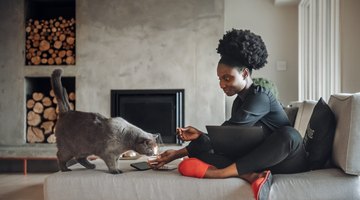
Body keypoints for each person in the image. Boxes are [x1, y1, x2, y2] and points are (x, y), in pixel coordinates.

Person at [149, 29, 309, 200]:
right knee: (199, 152)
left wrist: (201, 137)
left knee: (289, 135)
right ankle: (249, 175)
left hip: (287, 160)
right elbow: (230, 141)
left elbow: (229, 131)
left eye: (227, 78)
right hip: (260, 161)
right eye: (220, 79)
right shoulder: (239, 101)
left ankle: (223, 173)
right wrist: (178, 152)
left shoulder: (260, 96)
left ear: (245, 73)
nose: (222, 84)